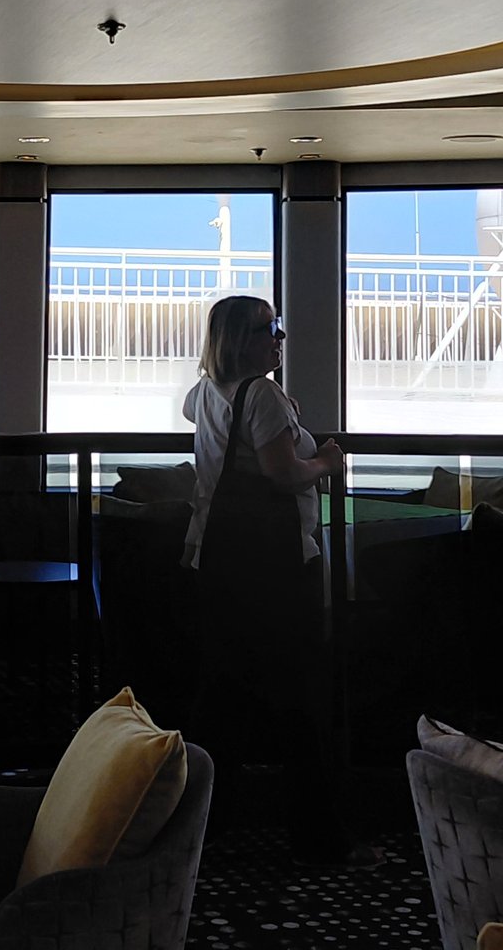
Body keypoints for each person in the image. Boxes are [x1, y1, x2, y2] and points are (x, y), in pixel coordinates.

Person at [182, 295, 371, 868]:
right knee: (302, 703)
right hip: (272, 567)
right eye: (271, 328)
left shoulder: (205, 392)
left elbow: (210, 431)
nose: (280, 338)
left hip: (216, 559)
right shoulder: (261, 393)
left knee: (224, 699)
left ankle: (201, 828)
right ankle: (321, 840)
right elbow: (283, 472)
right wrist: (329, 462)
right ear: (245, 340)